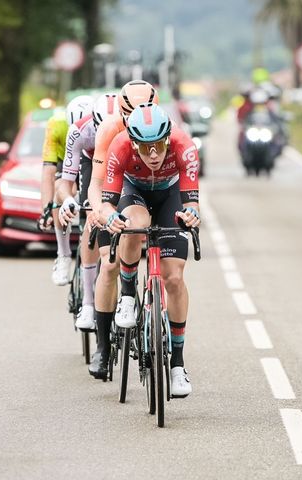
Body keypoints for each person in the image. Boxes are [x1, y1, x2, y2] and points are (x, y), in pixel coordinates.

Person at [101, 103, 200, 398]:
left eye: (158, 145)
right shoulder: (118, 148)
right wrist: (109, 217)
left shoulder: (184, 146)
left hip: (170, 195)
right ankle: (128, 295)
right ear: (133, 142)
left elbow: (192, 201)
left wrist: (191, 215)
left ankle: (177, 364)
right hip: (135, 193)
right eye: (145, 148)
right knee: (134, 224)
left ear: (168, 139)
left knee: (174, 279)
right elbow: (107, 201)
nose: (153, 154)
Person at [84, 80, 160, 380]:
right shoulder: (110, 130)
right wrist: (99, 211)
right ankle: (102, 349)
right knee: (110, 263)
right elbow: (98, 183)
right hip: (118, 192)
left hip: (154, 192)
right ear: (122, 113)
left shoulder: (165, 125)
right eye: (130, 116)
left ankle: (156, 319)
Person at [57, 94, 106, 331]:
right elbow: (64, 180)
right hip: (90, 160)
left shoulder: (125, 128)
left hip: (117, 160)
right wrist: (67, 200)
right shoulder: (79, 131)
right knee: (92, 221)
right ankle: (88, 303)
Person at [40, 96, 93, 286]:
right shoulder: (57, 124)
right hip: (68, 160)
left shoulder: (102, 123)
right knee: (59, 190)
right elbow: (49, 168)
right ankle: (63, 254)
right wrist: (46, 208)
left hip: (93, 158)